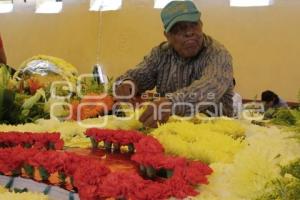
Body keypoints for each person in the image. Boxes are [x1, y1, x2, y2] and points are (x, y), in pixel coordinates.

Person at [115, 1, 234, 128]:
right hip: (168, 132)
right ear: (167, 36)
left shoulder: (218, 54)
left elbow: (209, 87)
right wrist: (128, 84)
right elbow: (140, 75)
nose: (189, 33)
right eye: (180, 29)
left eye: (194, 25)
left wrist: (172, 103)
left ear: (201, 25)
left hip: (216, 134)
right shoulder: (160, 54)